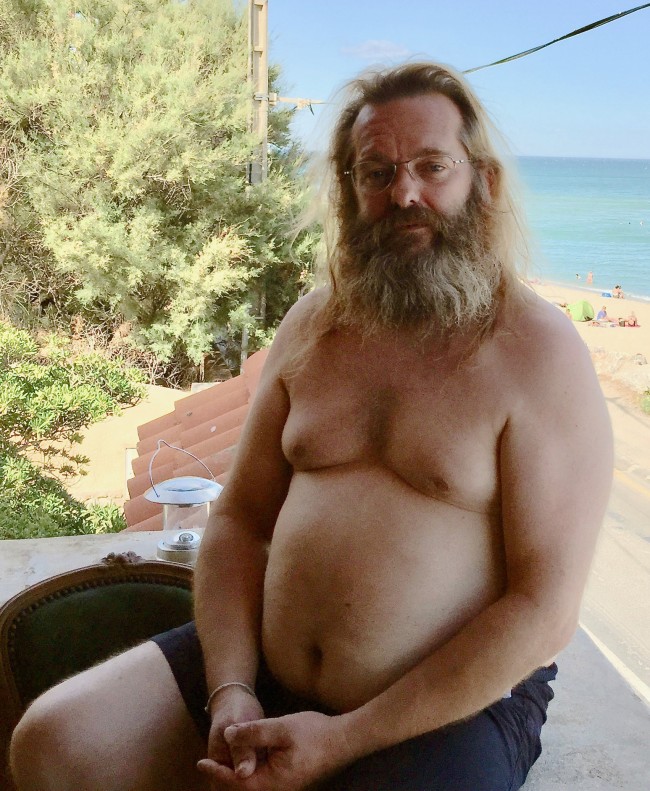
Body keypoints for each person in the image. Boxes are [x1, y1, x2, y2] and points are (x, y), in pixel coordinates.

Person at [9, 62, 613, 791]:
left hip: (451, 707)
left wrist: (343, 739)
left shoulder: (538, 350)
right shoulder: (312, 325)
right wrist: (231, 689)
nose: (404, 193)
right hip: (259, 668)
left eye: (432, 166)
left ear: (482, 182)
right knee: (55, 743)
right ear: (349, 190)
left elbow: (544, 609)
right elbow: (239, 521)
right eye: (377, 172)